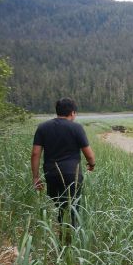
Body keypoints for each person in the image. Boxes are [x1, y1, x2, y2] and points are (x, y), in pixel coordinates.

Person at [31, 98, 96, 228]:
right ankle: (69, 241)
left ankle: (63, 234)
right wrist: (91, 164)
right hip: (73, 175)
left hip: (51, 174)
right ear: (72, 113)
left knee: (60, 207)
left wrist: (36, 177)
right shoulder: (76, 128)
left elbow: (35, 154)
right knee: (73, 210)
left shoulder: (43, 127)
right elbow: (89, 154)